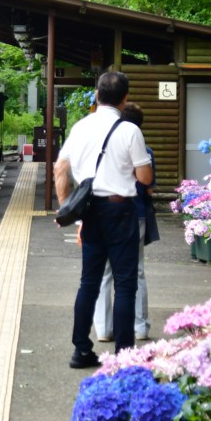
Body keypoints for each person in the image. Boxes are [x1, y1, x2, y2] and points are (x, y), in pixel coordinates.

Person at [55, 71, 152, 367]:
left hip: (90, 212)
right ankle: (124, 356)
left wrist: (68, 208)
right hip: (120, 210)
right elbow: (145, 178)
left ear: (97, 95)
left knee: (89, 282)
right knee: (125, 284)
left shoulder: (81, 127)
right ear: (124, 99)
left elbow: (60, 169)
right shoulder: (129, 131)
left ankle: (81, 350)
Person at [92, 101, 157, 343]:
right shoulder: (146, 151)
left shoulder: (103, 145)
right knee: (136, 271)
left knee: (105, 272)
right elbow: (149, 188)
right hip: (136, 214)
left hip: (103, 213)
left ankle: (104, 329)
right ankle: (140, 328)